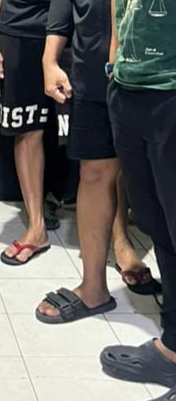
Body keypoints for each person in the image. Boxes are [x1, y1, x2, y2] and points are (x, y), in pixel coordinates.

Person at [34, 0, 161, 324]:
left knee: (161, 180)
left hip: (156, 73)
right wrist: (50, 59)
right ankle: (93, 288)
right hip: (91, 69)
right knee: (93, 172)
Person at [99, 0, 176, 396]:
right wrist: (116, 62)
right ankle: (173, 346)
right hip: (129, 86)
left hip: (170, 90)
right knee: (156, 221)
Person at [0, 0, 53, 265]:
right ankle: (37, 226)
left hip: (81, 31)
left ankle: (120, 239)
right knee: (28, 129)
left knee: (102, 139)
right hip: (22, 28)